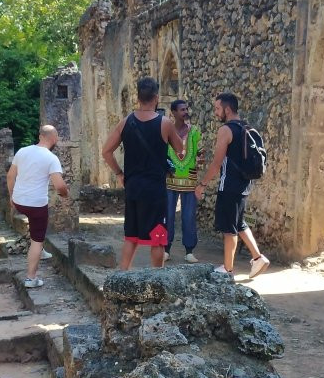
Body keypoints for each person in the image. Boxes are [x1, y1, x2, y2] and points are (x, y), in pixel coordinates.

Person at [101, 77, 185, 270]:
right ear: (156, 98)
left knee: (132, 234)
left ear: (137, 98)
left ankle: (123, 275)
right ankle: (157, 278)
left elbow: (106, 151)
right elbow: (180, 150)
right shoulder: (164, 123)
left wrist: (119, 173)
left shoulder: (125, 123)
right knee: (157, 237)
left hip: (133, 186)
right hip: (155, 189)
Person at [195, 92, 270, 278]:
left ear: (227, 109)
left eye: (217, 108)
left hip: (229, 186)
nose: (215, 112)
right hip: (244, 184)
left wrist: (202, 184)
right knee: (238, 222)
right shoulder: (246, 127)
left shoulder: (226, 130)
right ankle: (258, 258)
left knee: (229, 229)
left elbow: (217, 162)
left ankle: (227, 270)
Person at [7, 124, 68, 288]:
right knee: (37, 239)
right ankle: (31, 278)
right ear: (54, 139)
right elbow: (59, 185)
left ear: (40, 136)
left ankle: (40, 250)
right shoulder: (51, 158)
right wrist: (65, 194)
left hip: (19, 201)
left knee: (35, 225)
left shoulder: (22, 151)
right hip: (36, 205)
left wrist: (12, 196)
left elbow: (10, 176)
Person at [164, 99, 203, 264]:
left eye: (186, 109)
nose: (186, 112)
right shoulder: (166, 130)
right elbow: (161, 152)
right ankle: (166, 249)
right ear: (173, 112)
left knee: (188, 216)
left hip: (189, 180)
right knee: (168, 215)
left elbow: (200, 153)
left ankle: (189, 251)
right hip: (169, 180)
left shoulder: (194, 131)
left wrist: (200, 159)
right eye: (182, 110)